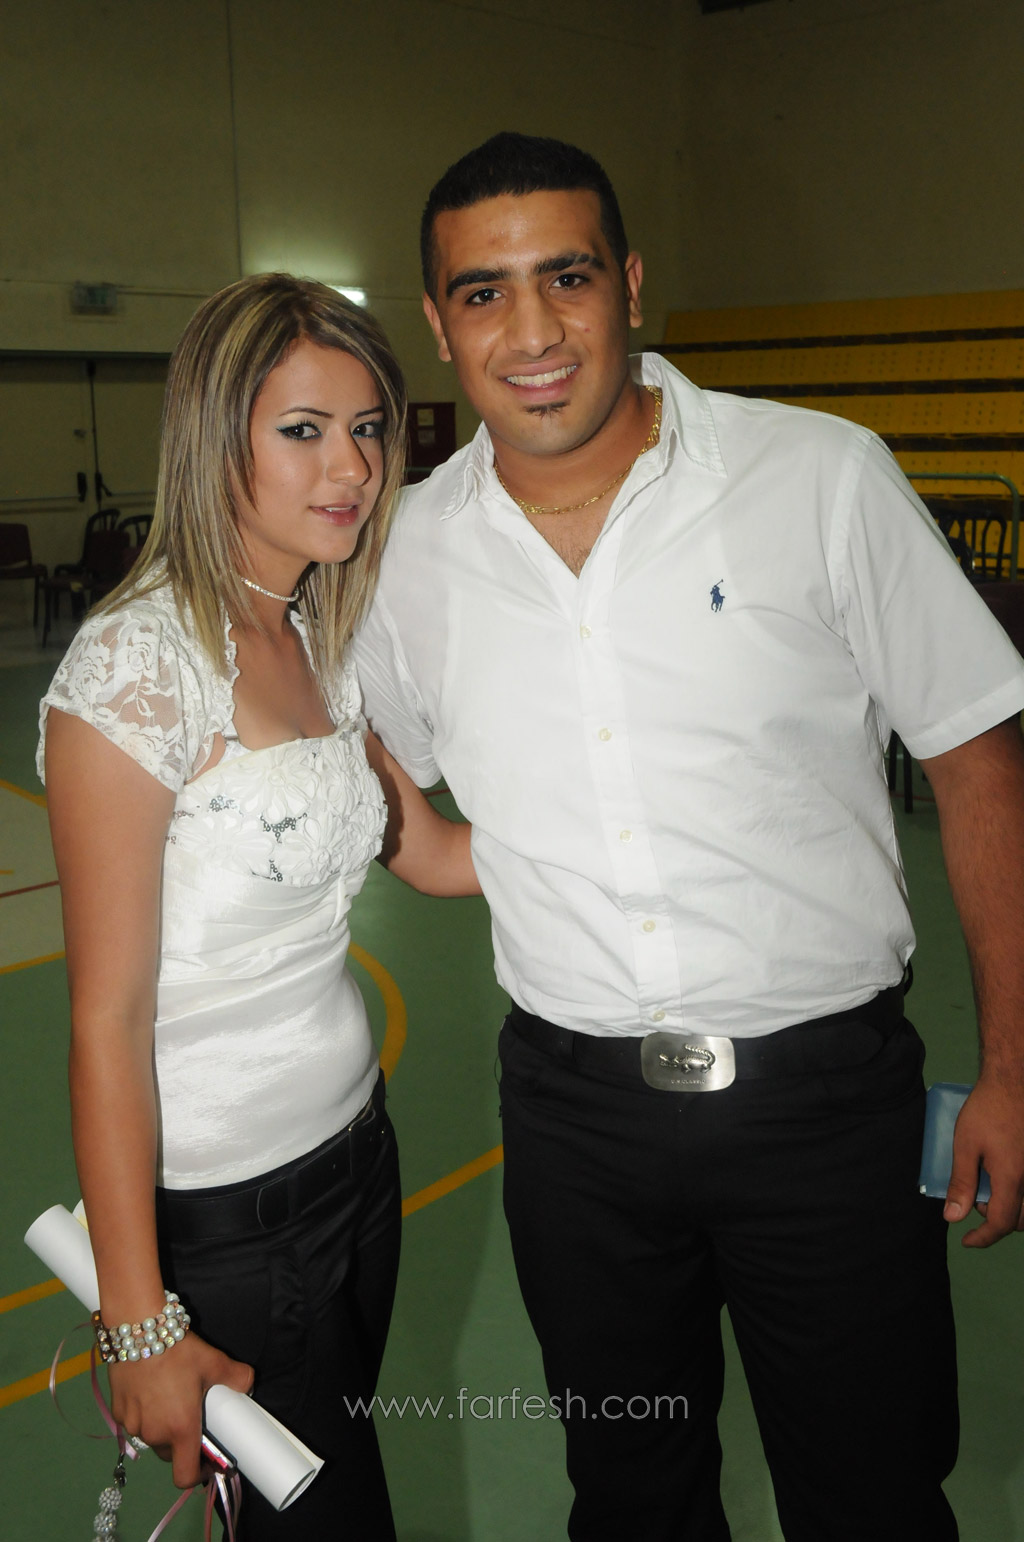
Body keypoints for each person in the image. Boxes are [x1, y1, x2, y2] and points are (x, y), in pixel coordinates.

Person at [352, 132, 1024, 1541]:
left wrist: (1016, 1069)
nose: (533, 332)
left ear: (631, 285)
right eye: (483, 293)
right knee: (632, 1497)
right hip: (574, 1126)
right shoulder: (407, 552)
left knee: (873, 1499)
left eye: (568, 277)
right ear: (438, 324)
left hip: (826, 1110)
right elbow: (393, 791)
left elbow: (977, 768)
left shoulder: (819, 478)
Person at [39, 272, 478, 1540]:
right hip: (231, 1222)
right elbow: (108, 1018)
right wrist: (139, 1320)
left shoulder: (319, 635)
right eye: (303, 430)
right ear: (212, 439)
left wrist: (637, 817)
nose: (352, 467)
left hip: (360, 1162)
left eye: (368, 428)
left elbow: (435, 854)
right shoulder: (135, 668)